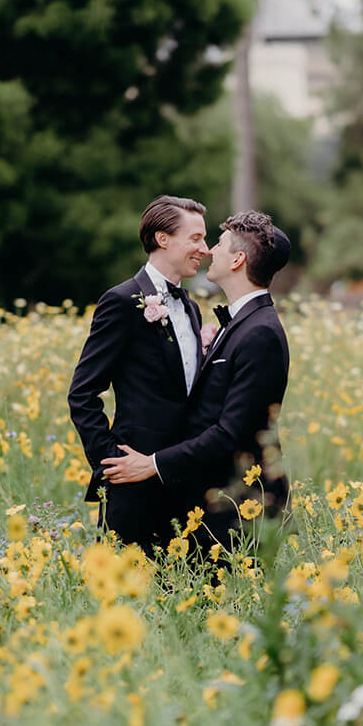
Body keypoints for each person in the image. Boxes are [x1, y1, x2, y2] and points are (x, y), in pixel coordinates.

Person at [101, 210, 290, 551]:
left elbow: (232, 432)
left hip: (238, 511)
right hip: (211, 503)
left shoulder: (260, 332)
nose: (209, 250)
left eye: (219, 243)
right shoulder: (242, 324)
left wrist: (152, 464)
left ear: (238, 259)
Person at [67, 195, 209, 554]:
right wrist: (112, 462)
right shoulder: (121, 301)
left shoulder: (191, 308)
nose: (205, 249)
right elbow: (82, 393)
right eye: (195, 238)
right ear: (163, 239)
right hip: (133, 485)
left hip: (184, 478)